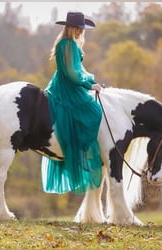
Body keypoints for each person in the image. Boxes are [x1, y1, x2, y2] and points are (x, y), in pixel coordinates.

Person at [41, 12, 103, 194]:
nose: (80, 32)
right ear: (71, 28)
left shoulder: (69, 43)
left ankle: (81, 150)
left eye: (81, 30)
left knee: (90, 111)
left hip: (68, 82)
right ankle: (82, 153)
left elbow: (79, 69)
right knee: (93, 111)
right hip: (67, 87)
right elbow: (72, 73)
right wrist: (88, 85)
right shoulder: (67, 44)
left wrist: (91, 82)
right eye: (78, 29)